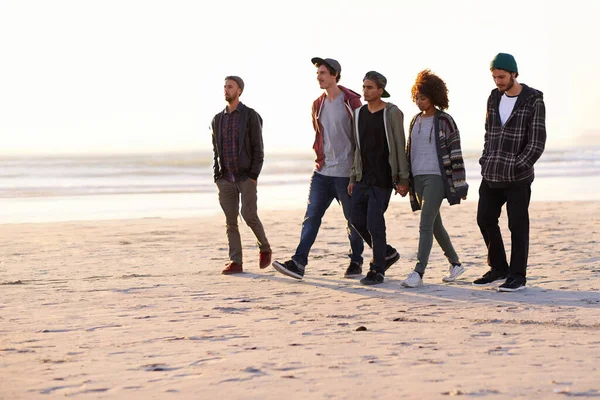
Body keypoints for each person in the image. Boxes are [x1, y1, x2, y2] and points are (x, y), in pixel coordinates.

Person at [272, 58, 400, 280]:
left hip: (346, 173)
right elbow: (320, 135)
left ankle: (357, 261)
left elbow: (363, 137)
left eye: (323, 73)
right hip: (322, 172)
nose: (319, 77)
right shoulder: (317, 104)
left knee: (354, 221)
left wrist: (357, 171)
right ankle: (298, 262)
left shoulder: (351, 103)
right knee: (311, 217)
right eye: (318, 73)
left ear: (334, 75)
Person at [474, 53, 546, 292]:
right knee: (484, 218)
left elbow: (537, 142)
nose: (498, 81)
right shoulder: (493, 97)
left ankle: (517, 276)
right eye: (494, 77)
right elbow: (488, 133)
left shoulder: (533, 99)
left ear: (514, 73)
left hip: (518, 177)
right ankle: (498, 268)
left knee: (517, 225)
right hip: (492, 172)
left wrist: (518, 165)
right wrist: (485, 160)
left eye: (502, 76)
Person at [400, 70, 469, 288]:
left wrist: (460, 183)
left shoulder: (445, 121)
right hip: (418, 179)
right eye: (417, 98)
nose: (419, 102)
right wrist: (404, 178)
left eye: (423, 98)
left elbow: (455, 152)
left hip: (437, 178)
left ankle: (418, 272)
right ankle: (456, 264)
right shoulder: (414, 121)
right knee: (435, 224)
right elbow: (408, 151)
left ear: (434, 96)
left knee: (424, 224)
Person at [349, 71, 409, 285]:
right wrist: (352, 177)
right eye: (364, 87)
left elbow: (400, 146)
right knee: (356, 219)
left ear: (381, 90)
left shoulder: (392, 112)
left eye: (370, 87)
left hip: (383, 178)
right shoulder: (358, 114)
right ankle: (387, 253)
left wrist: (403, 178)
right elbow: (357, 148)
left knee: (375, 223)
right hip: (362, 177)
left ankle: (377, 270)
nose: (365, 91)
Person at [210, 76, 272, 275]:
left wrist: (254, 175)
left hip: (246, 176)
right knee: (231, 221)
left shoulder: (250, 116)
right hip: (225, 178)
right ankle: (235, 261)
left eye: (230, 87)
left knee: (249, 215)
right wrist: (217, 175)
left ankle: (264, 247)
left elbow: (258, 148)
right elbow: (216, 150)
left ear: (239, 91)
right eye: (225, 87)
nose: (226, 90)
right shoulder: (217, 119)